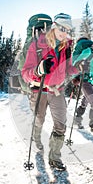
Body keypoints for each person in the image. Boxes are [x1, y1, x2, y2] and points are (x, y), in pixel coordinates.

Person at [21, 13, 78, 171]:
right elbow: (25, 73)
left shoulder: (65, 47)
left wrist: (78, 68)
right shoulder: (38, 44)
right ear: (54, 26)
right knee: (39, 120)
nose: (64, 32)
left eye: (68, 30)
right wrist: (38, 69)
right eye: (62, 28)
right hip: (39, 89)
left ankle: (54, 158)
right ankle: (36, 138)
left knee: (61, 125)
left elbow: (67, 69)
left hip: (57, 90)